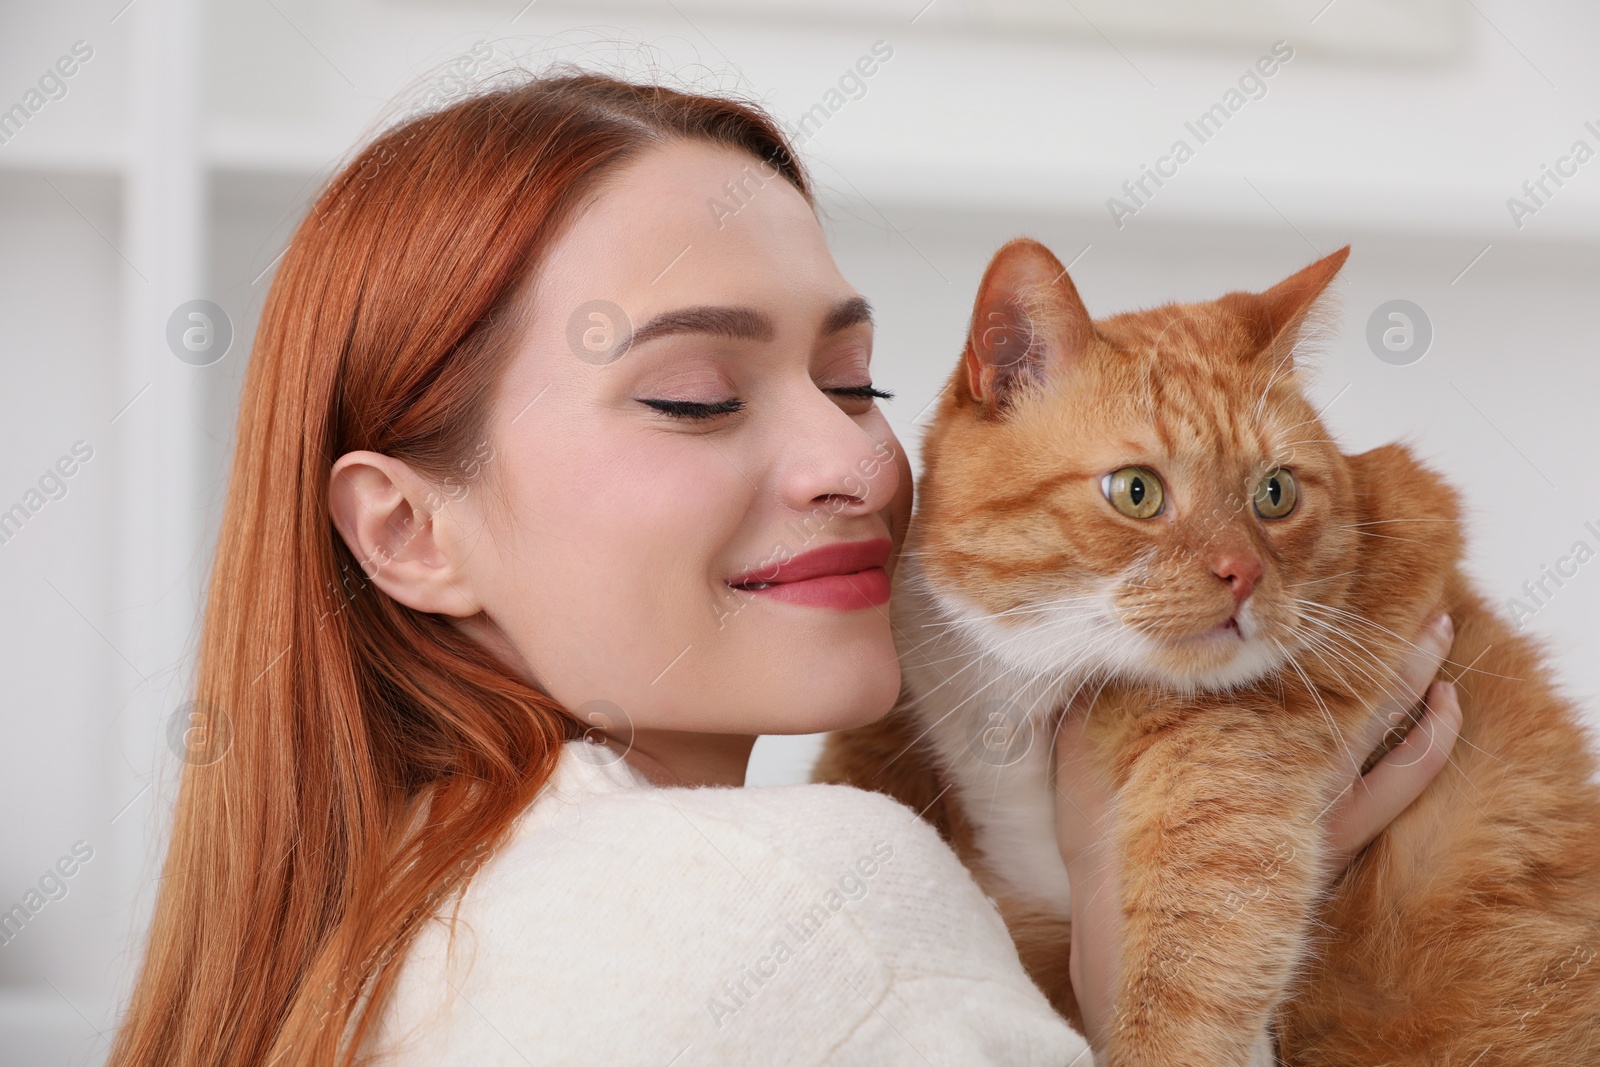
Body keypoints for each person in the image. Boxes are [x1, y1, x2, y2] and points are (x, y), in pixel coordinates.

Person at [106, 71, 1461, 1066]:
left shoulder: (369, 929)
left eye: (854, 379)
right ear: (408, 532)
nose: (859, 465)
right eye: (695, 395)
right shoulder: (803, 912)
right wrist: (1132, 978)